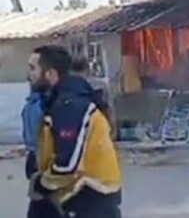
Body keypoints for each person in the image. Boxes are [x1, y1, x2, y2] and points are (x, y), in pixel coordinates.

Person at [28, 45, 122, 217]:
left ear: (50, 74)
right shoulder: (58, 100)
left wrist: (41, 183)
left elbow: (67, 165)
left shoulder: (70, 106)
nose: (29, 76)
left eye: (33, 68)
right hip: (74, 194)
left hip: (90, 195)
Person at [21, 58, 60, 218]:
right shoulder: (34, 101)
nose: (28, 76)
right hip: (35, 158)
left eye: (32, 68)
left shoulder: (50, 103)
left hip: (47, 161)